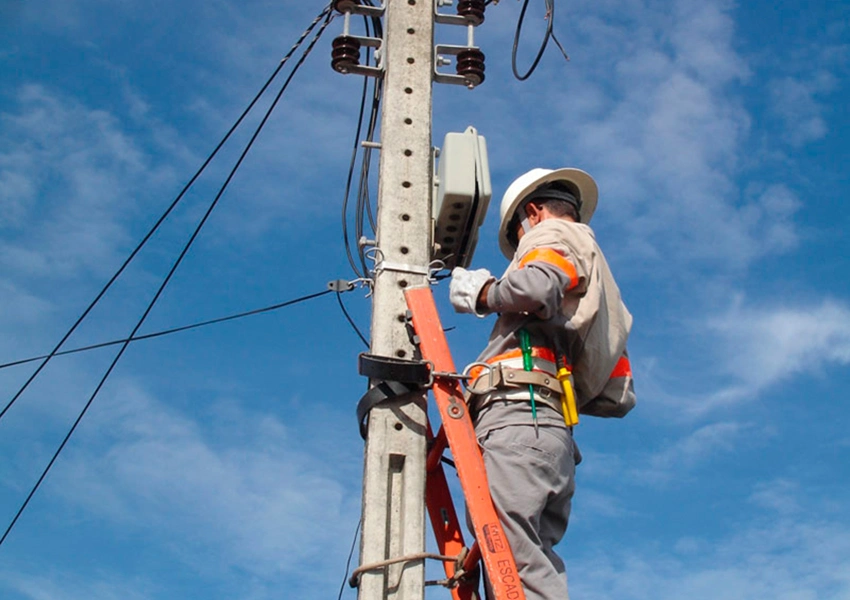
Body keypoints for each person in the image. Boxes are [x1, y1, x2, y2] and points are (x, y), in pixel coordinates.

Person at [449, 167, 636, 600]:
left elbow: (534, 287)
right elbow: (617, 396)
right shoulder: (604, 288)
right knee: (527, 568)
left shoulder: (552, 234)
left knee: (514, 564)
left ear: (532, 212)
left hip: (519, 421)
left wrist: (484, 295)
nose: (523, 250)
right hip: (550, 439)